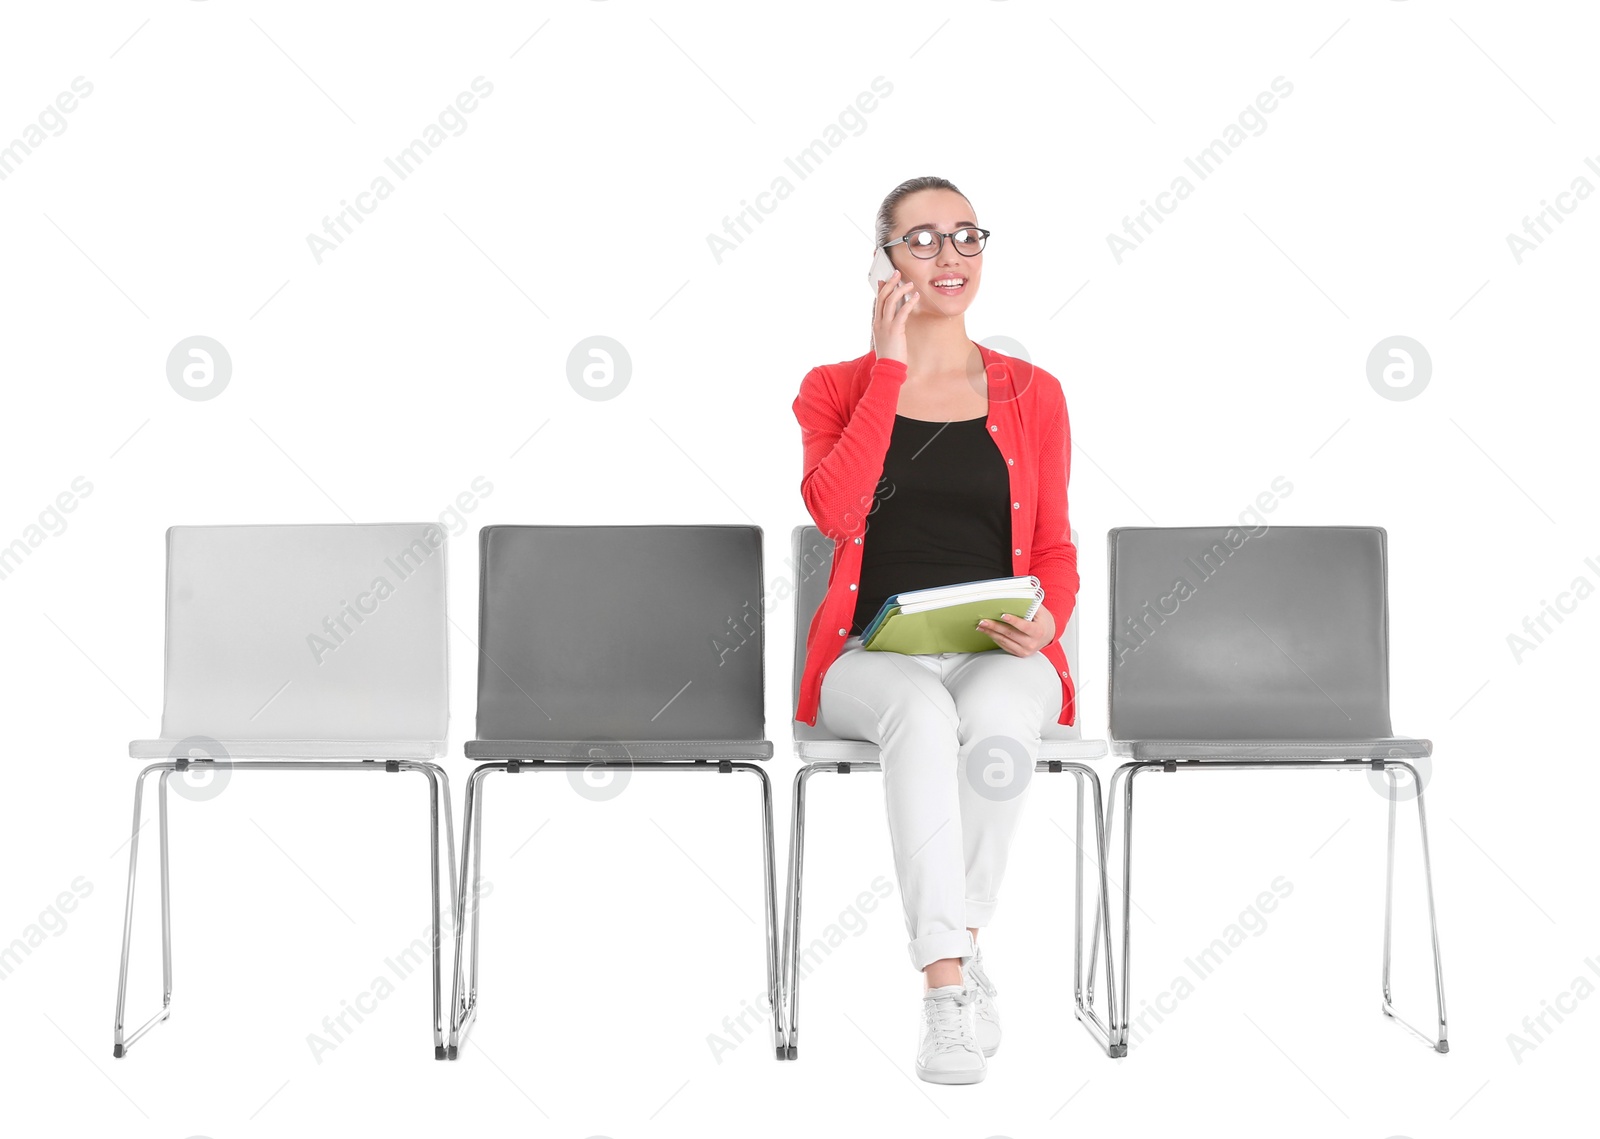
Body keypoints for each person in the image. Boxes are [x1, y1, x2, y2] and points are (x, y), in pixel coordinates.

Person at [791, 176, 1080, 1084]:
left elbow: (1059, 546)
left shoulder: (1034, 391)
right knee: (919, 715)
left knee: (997, 724)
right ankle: (946, 989)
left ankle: (962, 937)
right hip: (868, 658)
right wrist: (888, 367)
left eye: (966, 236)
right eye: (922, 240)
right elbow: (836, 514)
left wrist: (1048, 619)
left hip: (1000, 647)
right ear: (883, 261)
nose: (949, 256)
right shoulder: (834, 387)